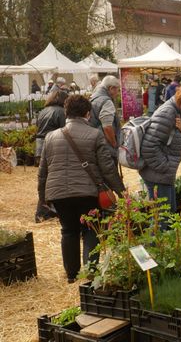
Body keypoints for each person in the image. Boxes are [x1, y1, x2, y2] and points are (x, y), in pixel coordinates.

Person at [37, 95, 124, 283]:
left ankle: (71, 275)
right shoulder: (95, 134)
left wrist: (42, 197)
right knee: (91, 229)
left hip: (58, 193)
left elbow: (42, 171)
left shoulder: (51, 137)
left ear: (66, 112)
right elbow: (107, 168)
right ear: (88, 113)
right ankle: (90, 273)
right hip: (88, 192)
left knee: (68, 231)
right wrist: (120, 191)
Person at [140, 83, 181, 217]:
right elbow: (148, 147)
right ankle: (154, 239)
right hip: (157, 175)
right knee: (161, 218)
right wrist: (166, 166)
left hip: (164, 175)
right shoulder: (168, 113)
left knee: (168, 214)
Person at [34, 90, 68, 222]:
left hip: (40, 145)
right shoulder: (60, 112)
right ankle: (45, 210)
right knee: (53, 178)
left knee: (45, 178)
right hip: (52, 145)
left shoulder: (43, 111)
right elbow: (64, 130)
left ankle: (44, 209)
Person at [90, 76, 121, 159]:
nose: (118, 93)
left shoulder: (94, 97)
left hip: (96, 144)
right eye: (117, 90)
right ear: (111, 88)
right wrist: (114, 144)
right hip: (106, 147)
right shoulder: (106, 101)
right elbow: (107, 127)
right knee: (111, 171)